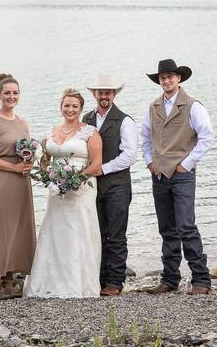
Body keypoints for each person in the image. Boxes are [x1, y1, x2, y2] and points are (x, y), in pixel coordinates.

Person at [140, 59, 213, 295]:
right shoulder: (153, 107)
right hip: (159, 174)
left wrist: (187, 164)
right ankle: (170, 279)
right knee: (167, 228)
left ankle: (201, 279)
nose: (166, 81)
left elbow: (206, 138)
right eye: (162, 78)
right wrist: (150, 162)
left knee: (186, 226)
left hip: (182, 174)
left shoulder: (192, 106)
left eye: (170, 77)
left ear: (178, 79)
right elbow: (145, 138)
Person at [23, 88, 103, 298]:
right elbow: (44, 159)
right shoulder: (52, 132)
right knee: (55, 230)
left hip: (81, 190)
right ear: (61, 107)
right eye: (66, 105)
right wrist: (47, 174)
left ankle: (77, 283)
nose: (70, 109)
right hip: (56, 190)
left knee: (78, 231)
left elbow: (96, 165)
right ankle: (48, 281)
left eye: (74, 106)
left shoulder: (90, 133)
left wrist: (75, 180)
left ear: (81, 109)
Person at [0, 73, 37, 300]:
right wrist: (14, 168)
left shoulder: (22, 122)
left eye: (15, 93)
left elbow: (28, 149)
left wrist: (30, 162)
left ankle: (10, 280)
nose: (11, 96)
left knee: (16, 229)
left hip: (21, 182)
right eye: (7, 93)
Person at [82, 74, 138, 297]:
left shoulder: (125, 121)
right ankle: (99, 278)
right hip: (92, 186)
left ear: (114, 95)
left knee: (115, 234)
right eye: (100, 92)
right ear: (94, 94)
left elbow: (130, 155)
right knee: (97, 232)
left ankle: (115, 281)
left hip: (117, 186)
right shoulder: (86, 119)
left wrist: (102, 169)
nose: (103, 96)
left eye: (108, 92)